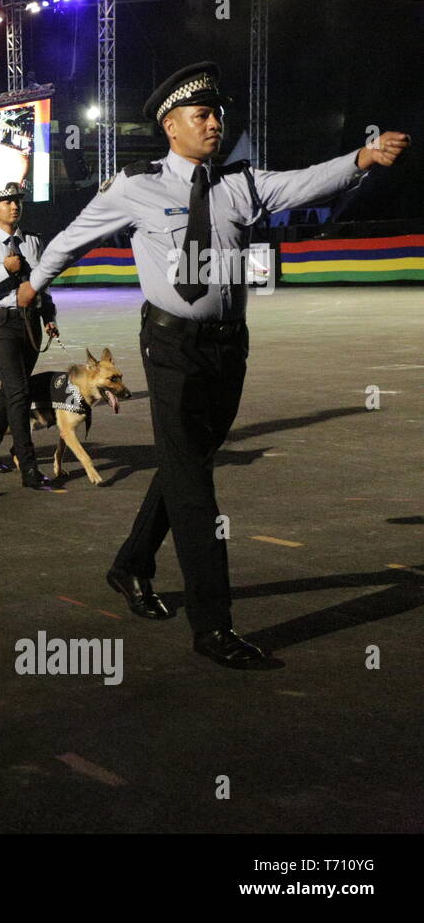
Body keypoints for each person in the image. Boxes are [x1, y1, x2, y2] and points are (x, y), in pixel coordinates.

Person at [27, 60, 411, 669]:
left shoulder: (240, 184)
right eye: (202, 115)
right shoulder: (135, 184)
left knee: (188, 465)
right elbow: (72, 237)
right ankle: (214, 627)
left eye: (218, 114)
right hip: (172, 347)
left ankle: (130, 566)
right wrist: (32, 289)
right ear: (171, 126)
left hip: (229, 346)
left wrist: (360, 159)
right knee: (196, 488)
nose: (215, 123)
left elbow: (305, 182)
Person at [0, 182, 60, 491]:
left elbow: (41, 283)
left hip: (29, 323)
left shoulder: (33, 242)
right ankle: (28, 466)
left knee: (11, 391)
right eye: (6, 202)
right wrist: (3, 270)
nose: (14, 206)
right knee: (20, 393)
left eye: (17, 200)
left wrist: (49, 316)